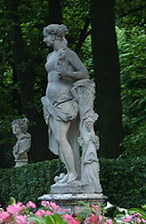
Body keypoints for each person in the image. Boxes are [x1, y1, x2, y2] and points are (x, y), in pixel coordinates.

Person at [41, 24, 102, 191]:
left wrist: (68, 74)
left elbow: (84, 73)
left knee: (61, 138)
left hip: (64, 100)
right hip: (52, 102)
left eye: (46, 37)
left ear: (54, 37)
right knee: (60, 139)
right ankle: (70, 172)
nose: (44, 40)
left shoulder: (68, 54)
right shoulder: (50, 56)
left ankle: (74, 174)